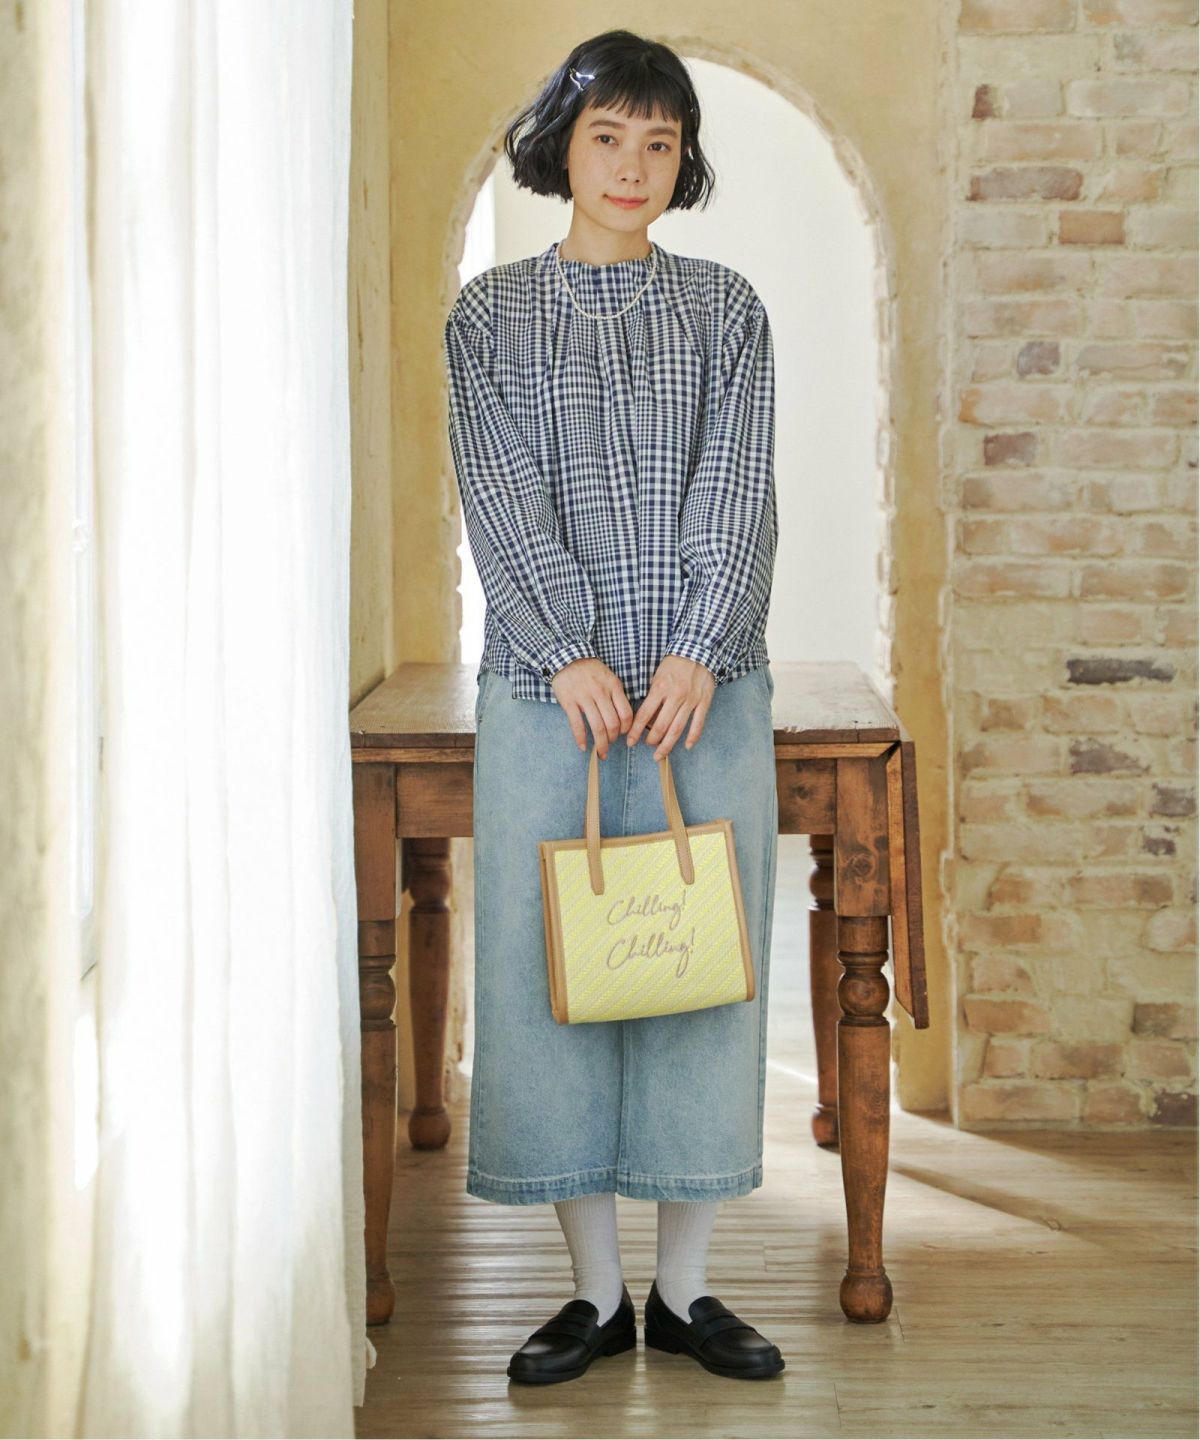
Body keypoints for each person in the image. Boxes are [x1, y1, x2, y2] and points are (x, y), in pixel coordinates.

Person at [443, 28, 782, 1385]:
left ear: (682, 160)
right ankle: (591, 1294)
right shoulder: (489, 318)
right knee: (558, 983)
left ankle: (686, 1292)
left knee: (702, 975)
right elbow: (499, 492)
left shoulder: (728, 311)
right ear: (561, 147)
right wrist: (566, 651)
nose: (633, 165)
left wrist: (699, 647)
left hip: (707, 695)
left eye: (660, 142)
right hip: (549, 701)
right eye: (607, 138)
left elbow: (739, 486)